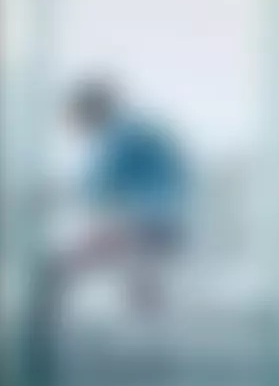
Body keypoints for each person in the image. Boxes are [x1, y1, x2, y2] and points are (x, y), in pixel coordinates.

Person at [60, 78, 190, 316]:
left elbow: (98, 188)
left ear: (92, 110)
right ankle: (150, 316)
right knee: (137, 275)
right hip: (163, 221)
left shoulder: (119, 135)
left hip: (147, 222)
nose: (79, 126)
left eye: (79, 117)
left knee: (66, 268)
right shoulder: (134, 129)